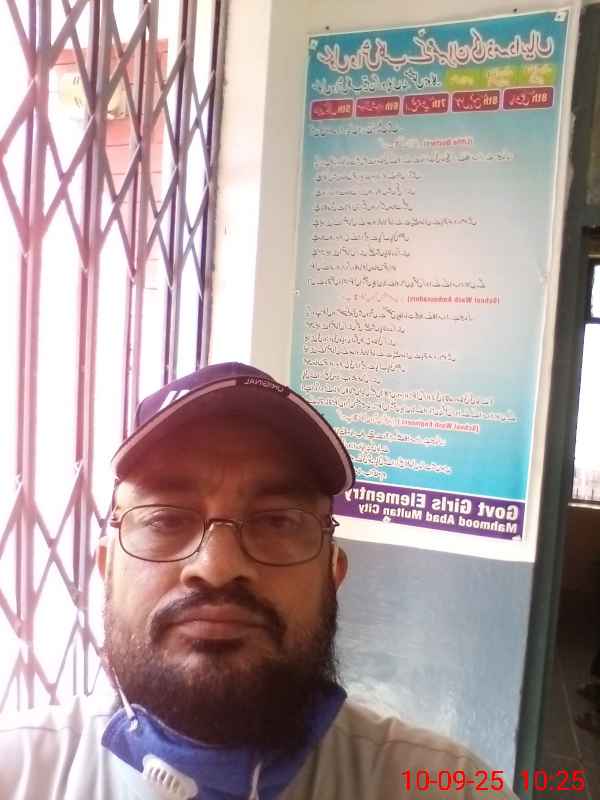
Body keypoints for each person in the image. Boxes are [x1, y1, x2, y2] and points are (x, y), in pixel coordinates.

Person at [0, 362, 519, 799]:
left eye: (277, 522)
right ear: (106, 567)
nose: (217, 567)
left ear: (332, 574)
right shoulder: (17, 772)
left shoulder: (448, 787)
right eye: (165, 519)